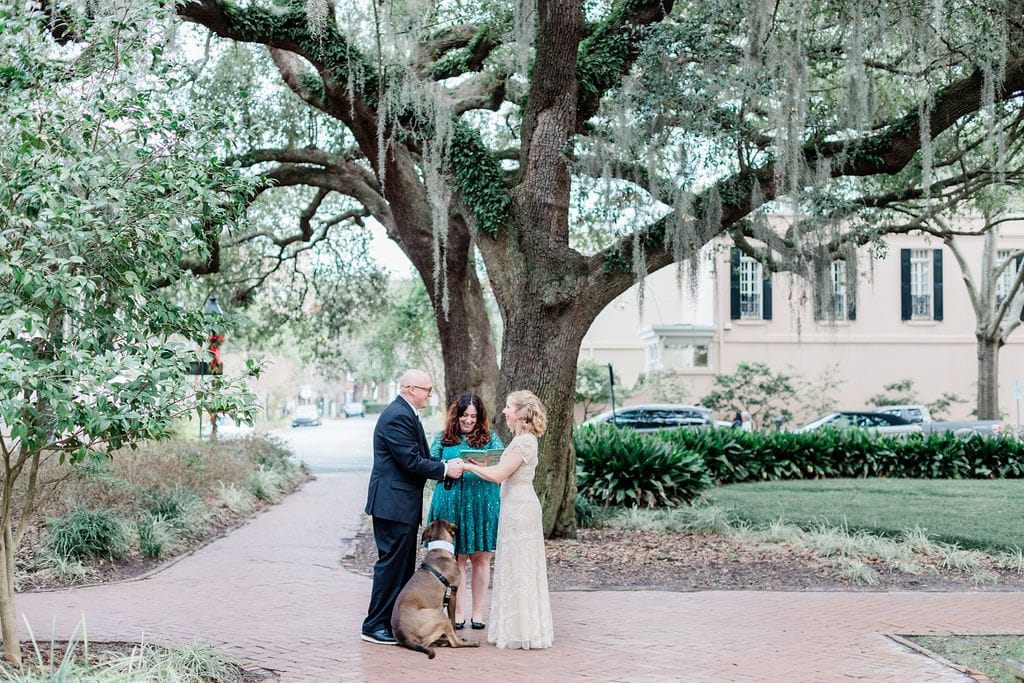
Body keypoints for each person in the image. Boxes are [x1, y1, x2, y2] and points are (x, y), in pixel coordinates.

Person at [361, 369, 465, 646]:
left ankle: (391, 624)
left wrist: (444, 467)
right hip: (392, 504)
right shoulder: (397, 416)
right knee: (392, 566)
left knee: (402, 566)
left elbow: (420, 457)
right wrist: (444, 469)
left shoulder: (405, 413)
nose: (430, 395)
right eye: (427, 390)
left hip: (401, 504)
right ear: (410, 388)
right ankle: (374, 625)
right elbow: (410, 461)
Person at [462, 390, 553, 650]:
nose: (504, 411)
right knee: (514, 564)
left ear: (521, 412)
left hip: (520, 508)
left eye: (509, 407)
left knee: (520, 565)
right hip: (515, 505)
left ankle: (523, 630)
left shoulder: (524, 442)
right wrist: (477, 464)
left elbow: (500, 474)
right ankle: (516, 627)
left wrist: (469, 467)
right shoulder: (520, 440)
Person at [426, 393, 504, 630]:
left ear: (480, 418)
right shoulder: (443, 438)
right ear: (456, 415)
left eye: (473, 416)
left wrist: (484, 466)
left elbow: (503, 466)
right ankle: (457, 612)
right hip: (450, 502)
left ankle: (478, 612)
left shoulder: (491, 439)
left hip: (482, 503)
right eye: (464, 415)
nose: (468, 420)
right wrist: (447, 468)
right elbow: (429, 465)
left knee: (481, 558)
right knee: (456, 558)